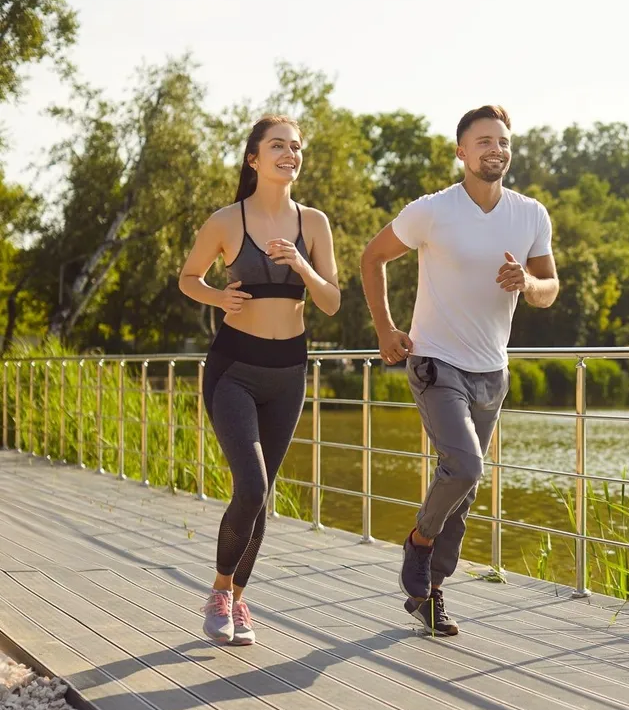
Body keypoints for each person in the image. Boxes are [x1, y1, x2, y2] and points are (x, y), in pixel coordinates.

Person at [360, 105, 558, 635]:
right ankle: (419, 541)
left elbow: (549, 289)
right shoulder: (432, 210)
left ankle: (430, 594)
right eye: (484, 141)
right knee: (466, 467)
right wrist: (385, 328)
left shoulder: (530, 214)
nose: (496, 149)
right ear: (462, 152)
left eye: (503, 141)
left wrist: (527, 283)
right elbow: (372, 257)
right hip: (435, 362)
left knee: (464, 493)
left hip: (492, 371)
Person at [178, 115, 341, 645]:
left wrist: (302, 265)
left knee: (262, 493)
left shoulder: (313, 223)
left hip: (289, 373)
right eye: (278, 146)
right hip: (234, 370)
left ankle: (240, 601)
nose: (289, 153)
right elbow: (188, 277)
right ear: (254, 158)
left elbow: (332, 301)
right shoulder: (227, 220)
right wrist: (217, 297)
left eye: (296, 146)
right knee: (250, 484)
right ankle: (220, 591)